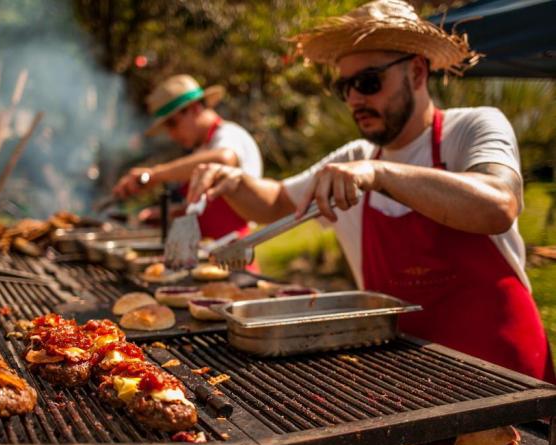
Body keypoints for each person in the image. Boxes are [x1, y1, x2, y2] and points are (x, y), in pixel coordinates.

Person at [186, 0, 555, 382]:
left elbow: (499, 205)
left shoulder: (472, 128)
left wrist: (379, 174)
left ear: (415, 71)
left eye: (367, 82)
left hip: (508, 377)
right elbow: (275, 203)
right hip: (412, 379)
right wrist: (235, 181)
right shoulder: (354, 158)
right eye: (344, 87)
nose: (355, 100)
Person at [112, 74, 263, 241]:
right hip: (208, 252)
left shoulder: (229, 134)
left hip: (234, 253)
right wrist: (173, 212)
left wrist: (155, 175)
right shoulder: (203, 149)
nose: (171, 134)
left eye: (172, 123)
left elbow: (223, 159)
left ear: (195, 108)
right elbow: (208, 205)